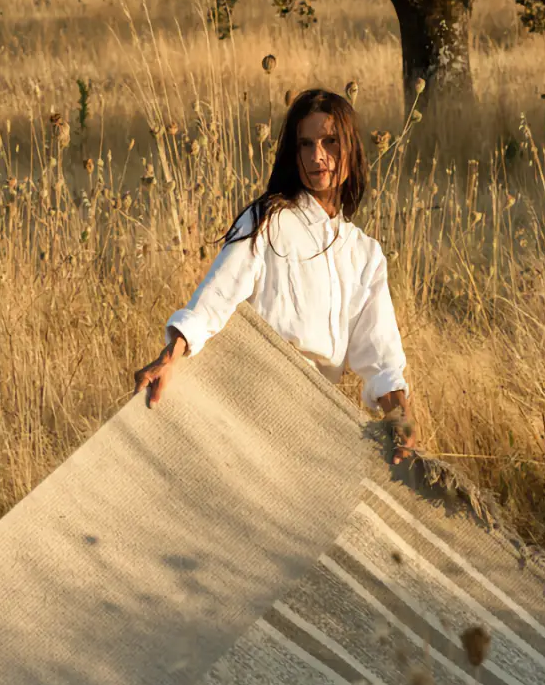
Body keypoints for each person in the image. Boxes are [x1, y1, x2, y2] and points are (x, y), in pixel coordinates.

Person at [131, 88, 418, 464]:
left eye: (330, 142)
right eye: (305, 144)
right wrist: (170, 357)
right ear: (293, 153)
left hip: (316, 418)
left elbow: (380, 354)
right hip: (247, 410)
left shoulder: (365, 254)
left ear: (351, 148)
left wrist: (401, 416)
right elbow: (215, 297)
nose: (317, 157)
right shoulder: (267, 221)